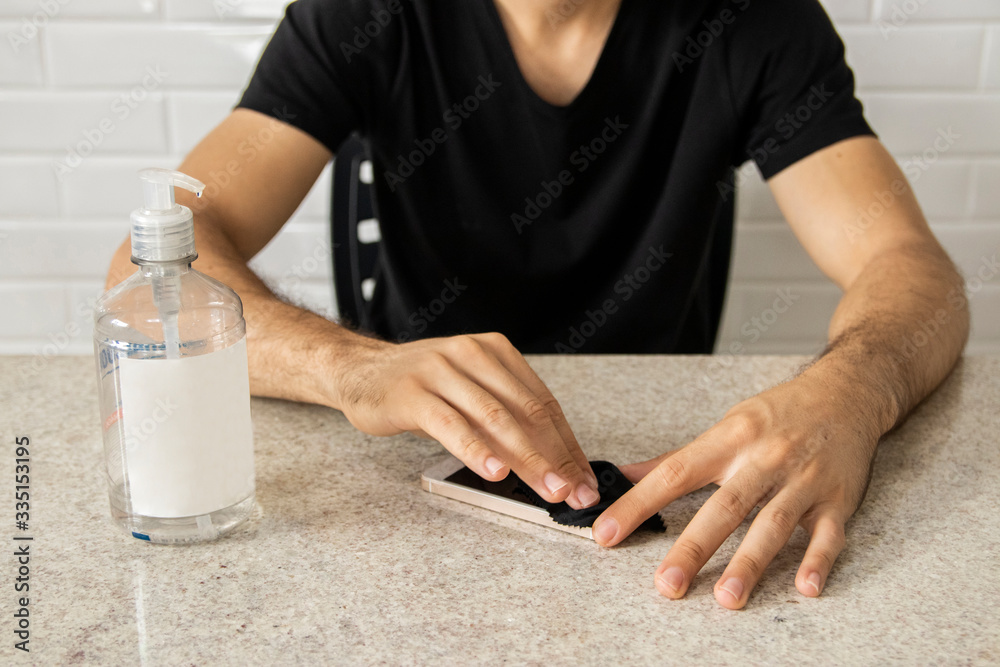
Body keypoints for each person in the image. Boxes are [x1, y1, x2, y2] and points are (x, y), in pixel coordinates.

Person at [105, 0, 968, 610]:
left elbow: (913, 271)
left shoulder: (756, 21)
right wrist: (350, 366)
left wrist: (853, 392)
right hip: (416, 506)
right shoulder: (361, 13)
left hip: (652, 498)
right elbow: (151, 266)